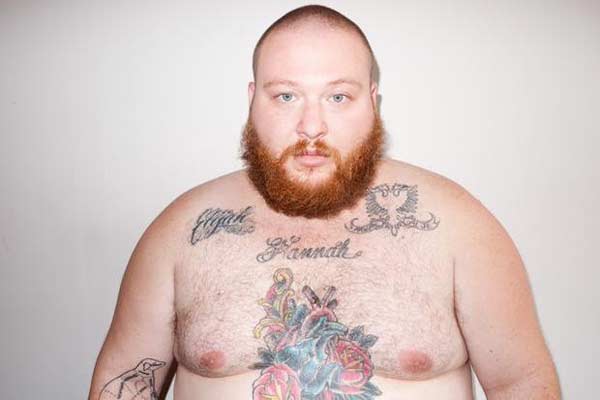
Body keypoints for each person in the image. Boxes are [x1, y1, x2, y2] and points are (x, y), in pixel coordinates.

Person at [88, 4, 561, 399]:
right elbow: (124, 383)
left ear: (372, 100)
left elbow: (521, 384)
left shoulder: (459, 226)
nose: (311, 126)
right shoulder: (182, 232)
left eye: (338, 97)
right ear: (253, 100)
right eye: (286, 96)